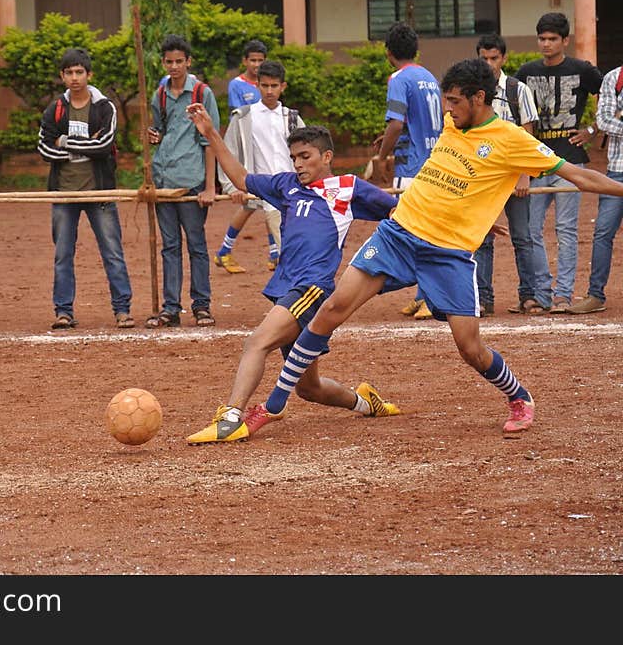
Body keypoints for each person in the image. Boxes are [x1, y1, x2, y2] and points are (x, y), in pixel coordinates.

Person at [234, 58, 623, 440]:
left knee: (470, 349)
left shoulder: (512, 140)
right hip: (398, 235)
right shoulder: (452, 126)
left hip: (448, 253)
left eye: (454, 101)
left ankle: (519, 397)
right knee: (331, 309)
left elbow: (578, 176)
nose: (448, 110)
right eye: (446, 100)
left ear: (479, 98)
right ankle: (272, 405)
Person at [184, 112, 401, 444]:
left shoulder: (346, 188)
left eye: (305, 157)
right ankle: (367, 403)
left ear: (326, 157)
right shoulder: (286, 185)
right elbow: (242, 179)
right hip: (285, 287)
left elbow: (398, 210)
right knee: (309, 388)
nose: (298, 164)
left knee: (257, 342)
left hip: (312, 288)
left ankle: (230, 416)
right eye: (294, 158)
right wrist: (212, 134)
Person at [37, 48, 134, 330]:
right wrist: (83, 146)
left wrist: (64, 142)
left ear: (89, 75)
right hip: (64, 193)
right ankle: (63, 311)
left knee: (112, 251)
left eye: (79, 72)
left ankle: (122, 310)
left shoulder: (105, 107)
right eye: (69, 72)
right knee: (63, 254)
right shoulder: (55, 108)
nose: (74, 77)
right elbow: (43, 147)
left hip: (99, 192)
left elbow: (104, 146)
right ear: (62, 76)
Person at [515, 12, 603, 314]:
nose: (546, 44)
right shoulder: (525, 73)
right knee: (531, 230)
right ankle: (541, 292)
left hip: (570, 160)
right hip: (536, 163)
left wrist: (592, 130)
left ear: (565, 40)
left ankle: (563, 294)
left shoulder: (582, 70)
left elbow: (611, 95)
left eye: (553, 39)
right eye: (542, 38)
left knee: (566, 230)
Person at [370, 22, 444, 321]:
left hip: (412, 166)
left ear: (388, 53)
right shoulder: (427, 76)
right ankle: (421, 295)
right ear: (416, 50)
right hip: (434, 161)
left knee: (414, 232)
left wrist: (381, 155)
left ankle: (431, 296)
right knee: (426, 229)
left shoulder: (398, 78)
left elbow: (397, 122)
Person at [145, 34, 219, 328]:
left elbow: (210, 141)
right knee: (169, 246)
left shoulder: (202, 93)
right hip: (163, 179)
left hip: (191, 180)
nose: (174, 66)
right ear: (162, 62)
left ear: (188, 62)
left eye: (179, 61)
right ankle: (170, 308)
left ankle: (201, 306)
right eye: (169, 62)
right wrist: (154, 137)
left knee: (196, 245)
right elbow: (159, 131)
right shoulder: (159, 95)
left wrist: (211, 186)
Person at [472, 34, 541, 317]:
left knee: (522, 237)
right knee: (482, 239)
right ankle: (483, 299)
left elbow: (528, 136)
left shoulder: (518, 90)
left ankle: (529, 296)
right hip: (483, 180)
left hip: (514, 178)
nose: (489, 64)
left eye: (494, 58)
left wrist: (525, 174)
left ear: (504, 58)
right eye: (484, 58)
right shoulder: (472, 92)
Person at [214, 60, 304, 274]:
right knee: (288, 250)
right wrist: (231, 187)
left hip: (292, 188)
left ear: (283, 86)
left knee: (297, 244)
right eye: (265, 85)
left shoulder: (292, 118)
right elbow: (229, 152)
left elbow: (309, 153)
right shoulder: (244, 117)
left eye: (274, 86)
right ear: (257, 85)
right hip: (262, 186)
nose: (270, 91)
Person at [567, 62, 623, 314]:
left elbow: (613, 122)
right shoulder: (614, 78)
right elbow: (604, 121)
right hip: (617, 170)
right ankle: (595, 295)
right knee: (602, 233)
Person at [226, 39, 266, 112]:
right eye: (253, 60)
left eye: (260, 60)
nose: (257, 65)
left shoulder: (269, 83)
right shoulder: (236, 84)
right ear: (245, 61)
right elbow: (236, 114)